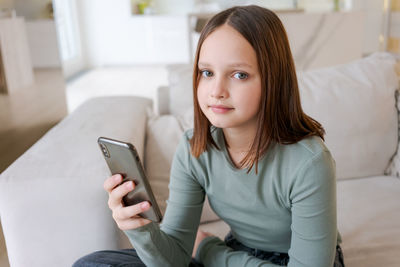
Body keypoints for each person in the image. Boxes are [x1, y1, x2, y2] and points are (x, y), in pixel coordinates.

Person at [73, 5, 345, 267]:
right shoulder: (195, 148)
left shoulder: (309, 162)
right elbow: (175, 257)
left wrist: (208, 251)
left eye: (239, 74)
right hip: (239, 249)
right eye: (207, 72)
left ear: (274, 80)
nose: (216, 90)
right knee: (91, 264)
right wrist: (139, 226)